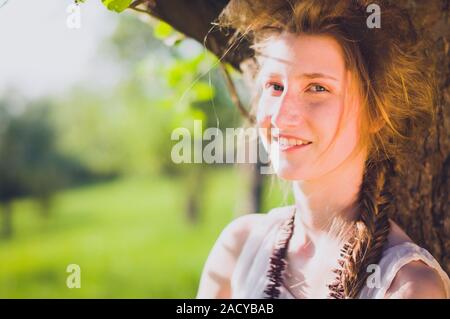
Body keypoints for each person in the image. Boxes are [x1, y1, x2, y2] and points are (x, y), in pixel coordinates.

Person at [196, 0, 450, 299]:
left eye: (318, 88)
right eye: (275, 86)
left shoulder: (407, 287)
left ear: (378, 112)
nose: (280, 116)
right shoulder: (238, 249)